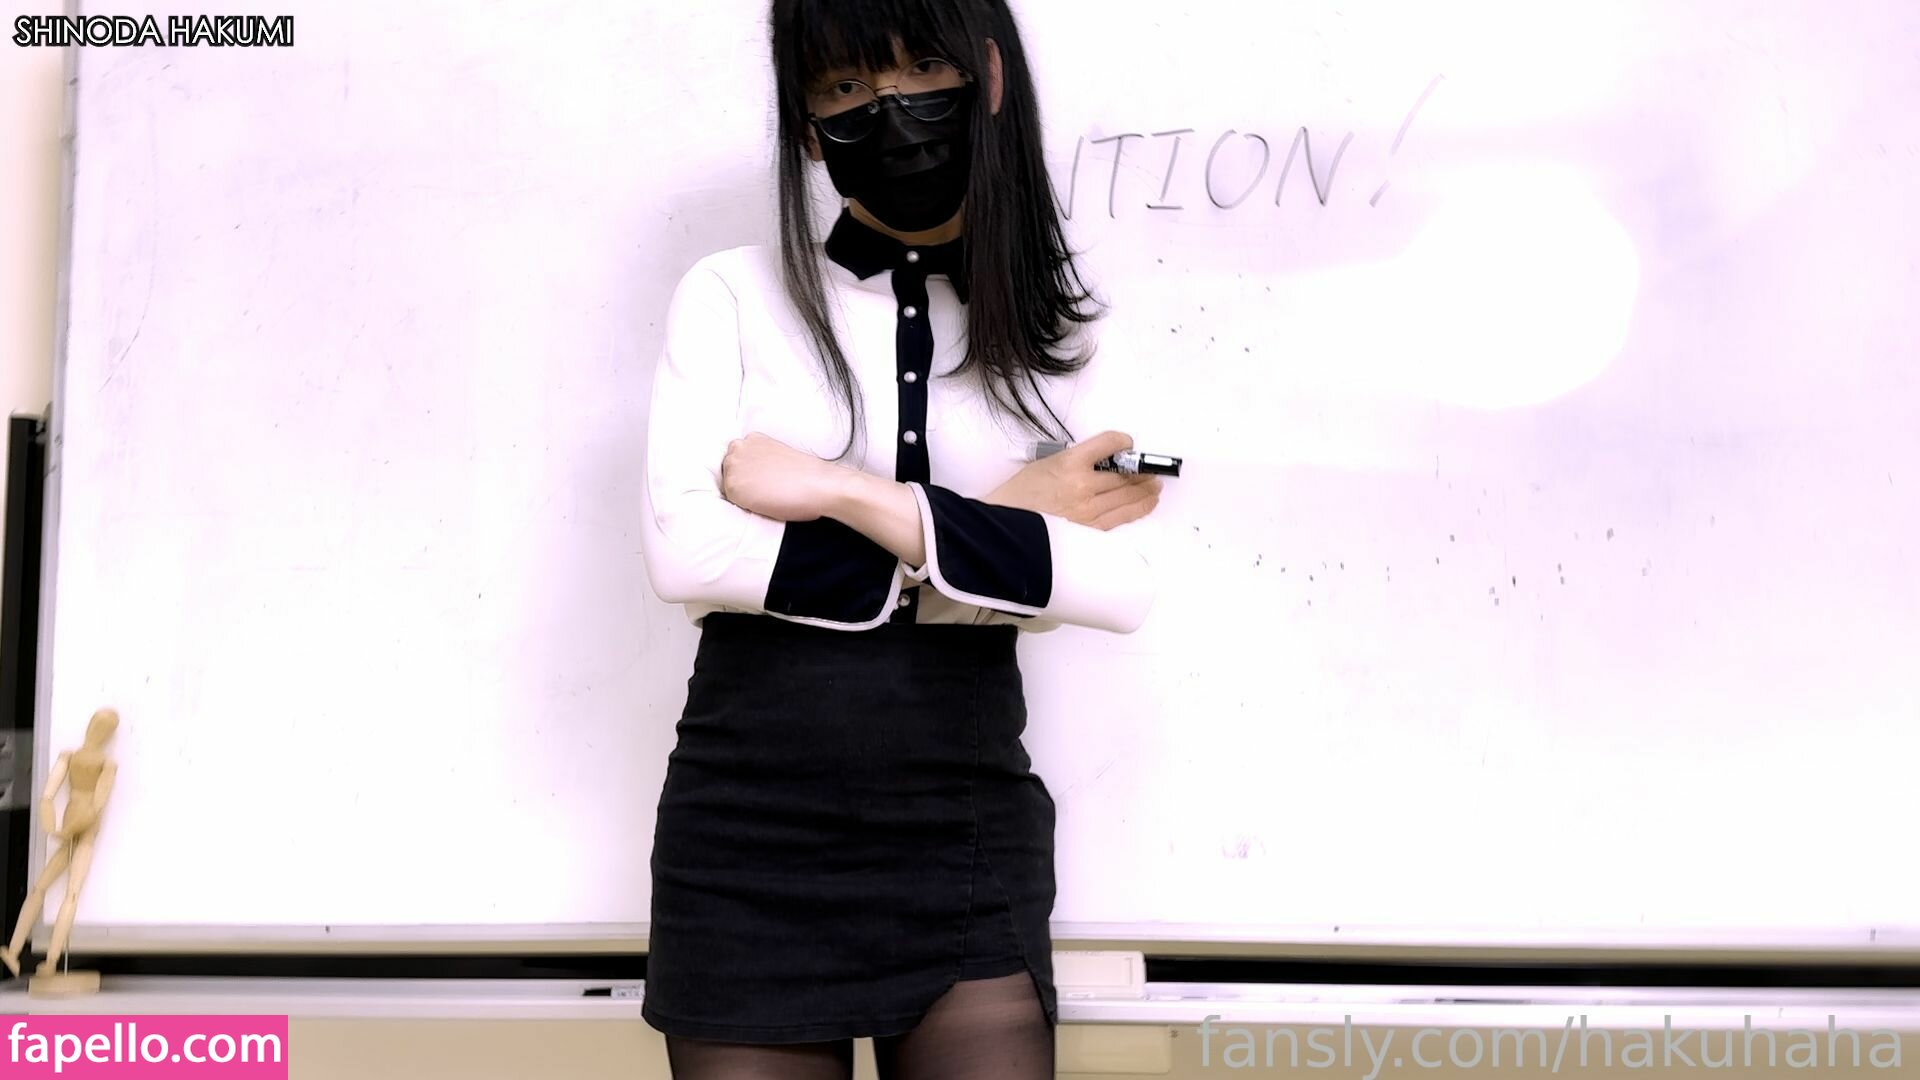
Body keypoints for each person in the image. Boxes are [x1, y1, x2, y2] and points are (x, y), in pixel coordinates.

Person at [637, 2, 1160, 1075]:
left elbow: (1118, 587)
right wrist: (999, 530)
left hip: (963, 825)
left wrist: (838, 491)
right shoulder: (731, 295)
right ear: (805, 124)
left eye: (923, 68)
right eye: (843, 89)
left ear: (989, 78)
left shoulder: (1064, 326)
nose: (889, 112)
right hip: (744, 833)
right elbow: (686, 552)